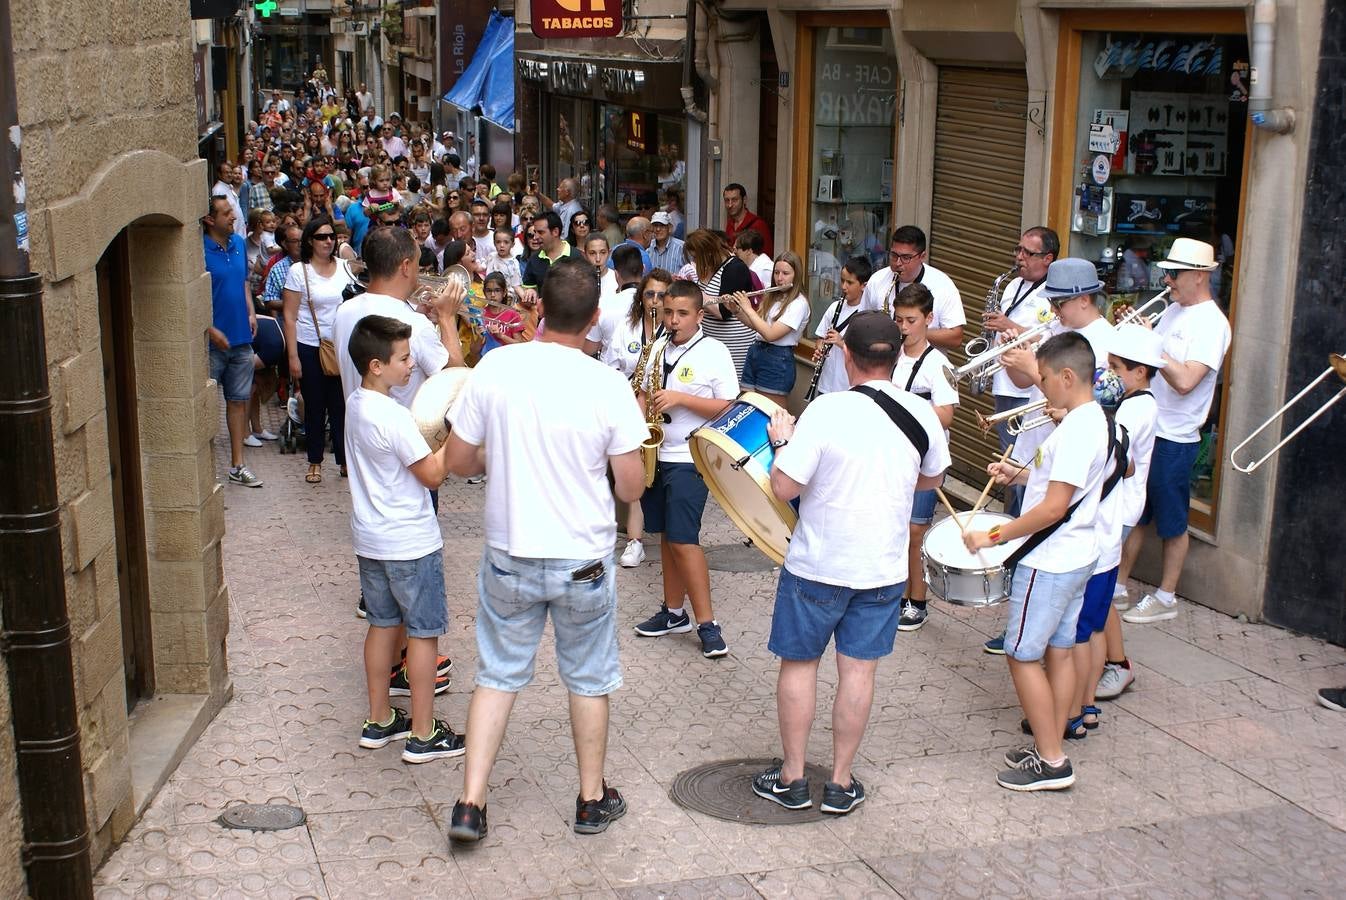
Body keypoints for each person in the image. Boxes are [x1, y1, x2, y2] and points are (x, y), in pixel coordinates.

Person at [443, 258, 648, 843]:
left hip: (510, 550)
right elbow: (631, 487)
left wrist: (501, 456)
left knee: (497, 675)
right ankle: (589, 800)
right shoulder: (607, 382)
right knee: (588, 678)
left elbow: (458, 463)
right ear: (595, 317)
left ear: (539, 308)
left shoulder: (496, 367)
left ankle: (470, 804)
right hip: (582, 555)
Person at [753, 311, 949, 814]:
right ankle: (840, 783)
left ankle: (793, 778)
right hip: (883, 570)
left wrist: (781, 441)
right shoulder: (922, 413)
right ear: (898, 353)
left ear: (846, 355)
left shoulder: (825, 410)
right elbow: (931, 481)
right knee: (858, 673)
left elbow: (783, 486)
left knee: (799, 666)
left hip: (817, 564)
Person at [963, 331, 1114, 791]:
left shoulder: (1074, 429)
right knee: (1060, 649)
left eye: (1045, 378)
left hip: (1050, 560)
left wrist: (994, 534)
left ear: (1068, 377)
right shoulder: (1097, 420)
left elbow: (1052, 508)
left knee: (1021, 654)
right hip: (1079, 554)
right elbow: (1065, 485)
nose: (1041, 386)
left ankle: (1051, 761)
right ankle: (1056, 737)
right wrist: (1021, 473)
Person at [345, 315, 466, 764]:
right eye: (403, 357)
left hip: (371, 538)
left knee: (381, 625)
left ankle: (379, 720)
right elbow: (432, 475)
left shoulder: (357, 403)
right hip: (410, 541)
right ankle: (423, 731)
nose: (411, 364)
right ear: (376, 365)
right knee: (423, 634)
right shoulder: (393, 416)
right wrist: (455, 434)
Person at [1120, 238, 1232, 625]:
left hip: (1177, 435)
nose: (1166, 280)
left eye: (1174, 274)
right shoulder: (1173, 311)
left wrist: (1154, 347)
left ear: (1200, 276)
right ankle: (1118, 584)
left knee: (1171, 521)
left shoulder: (1212, 324)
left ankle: (1166, 595)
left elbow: (1186, 380)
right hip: (1149, 423)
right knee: (1133, 511)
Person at [631, 280, 740, 658]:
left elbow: (729, 406)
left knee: (684, 539)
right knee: (665, 535)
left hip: (691, 456)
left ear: (698, 315)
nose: (672, 320)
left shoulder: (714, 351)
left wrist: (679, 398)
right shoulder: (657, 347)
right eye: (667, 312)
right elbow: (643, 391)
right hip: (656, 453)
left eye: (681, 314)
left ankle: (708, 624)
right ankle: (673, 612)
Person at [1093, 325, 1163, 705]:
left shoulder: (1138, 408)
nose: (1109, 375)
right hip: (1113, 506)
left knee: (1097, 594)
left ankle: (1116, 663)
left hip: (1118, 509)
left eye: (1116, 368)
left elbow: (1120, 460)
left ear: (1140, 372)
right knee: (1096, 592)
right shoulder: (1131, 402)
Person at [888, 284, 959, 633]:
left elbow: (946, 414)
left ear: (929, 319)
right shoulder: (892, 355)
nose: (903, 327)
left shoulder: (939, 364)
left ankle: (918, 601)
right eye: (899, 319)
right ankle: (896, 594)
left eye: (911, 320)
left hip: (925, 456)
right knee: (896, 528)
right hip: (894, 453)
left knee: (916, 531)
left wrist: (907, 411)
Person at [986, 227, 1058, 516]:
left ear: (1048, 258)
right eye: (1019, 250)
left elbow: (1049, 335)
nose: (1020, 257)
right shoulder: (1013, 284)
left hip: (1029, 389)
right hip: (1006, 381)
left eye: (1028, 253)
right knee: (1009, 461)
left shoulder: (1053, 294)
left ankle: (1019, 521)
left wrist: (1008, 327)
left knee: (1021, 463)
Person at [605, 268, 673, 569]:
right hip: (632, 408)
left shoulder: (675, 330)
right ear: (641, 297)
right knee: (637, 473)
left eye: (661, 296)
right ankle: (634, 541)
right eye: (650, 294)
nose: (655, 301)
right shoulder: (627, 328)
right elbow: (611, 367)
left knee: (662, 477)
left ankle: (670, 536)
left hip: (664, 414)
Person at [282, 216, 355, 484]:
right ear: (309, 241)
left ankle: (344, 459)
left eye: (331, 236)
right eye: (321, 237)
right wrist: (292, 356)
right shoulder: (298, 271)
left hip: (340, 345)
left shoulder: (346, 268)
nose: (327, 241)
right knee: (315, 405)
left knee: (342, 405)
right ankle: (314, 460)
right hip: (309, 343)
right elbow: (289, 316)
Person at [203, 195, 263, 487]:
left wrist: (251, 312)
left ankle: (237, 465)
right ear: (209, 220)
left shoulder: (239, 244)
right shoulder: (199, 250)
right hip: (212, 344)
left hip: (240, 339)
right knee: (206, 406)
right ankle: (205, 469)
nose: (233, 217)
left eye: (232, 212)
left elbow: (243, 283)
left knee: (238, 402)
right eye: (226, 213)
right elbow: (192, 296)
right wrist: (209, 329)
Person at [861, 226, 965, 352]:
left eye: (906, 257)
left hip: (923, 368)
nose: (898, 263)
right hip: (883, 364)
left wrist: (908, 332)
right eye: (894, 255)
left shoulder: (942, 285)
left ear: (922, 256)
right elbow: (862, 321)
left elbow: (956, 337)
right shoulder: (877, 280)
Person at [729, 251, 810, 406]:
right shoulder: (773, 296)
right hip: (756, 352)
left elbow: (771, 334)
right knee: (747, 407)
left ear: (796, 275)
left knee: (769, 412)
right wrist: (736, 310)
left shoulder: (799, 304)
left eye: (786, 273)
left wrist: (748, 308)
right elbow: (758, 326)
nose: (779, 278)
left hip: (777, 359)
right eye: (777, 272)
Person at [685, 228, 756, 378]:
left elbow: (724, 312)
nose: (695, 261)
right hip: (713, 341)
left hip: (733, 344)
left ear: (709, 253)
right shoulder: (708, 267)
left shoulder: (735, 269)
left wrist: (697, 295)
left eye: (697, 257)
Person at [809, 256, 873, 397]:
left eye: (850, 282)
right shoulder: (834, 307)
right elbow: (820, 338)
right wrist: (820, 348)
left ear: (863, 285)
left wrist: (841, 342)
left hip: (849, 387)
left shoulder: (867, 315)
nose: (844, 286)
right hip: (826, 383)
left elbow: (868, 354)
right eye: (842, 280)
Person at [518, 211, 581, 304]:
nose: (535, 237)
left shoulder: (576, 257)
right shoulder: (534, 259)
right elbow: (529, 287)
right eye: (535, 232)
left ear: (555, 232)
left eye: (540, 232)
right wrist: (530, 292)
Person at [722, 182, 773, 258]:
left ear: (744, 200)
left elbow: (767, 255)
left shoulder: (759, 225)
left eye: (734, 200)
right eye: (727, 200)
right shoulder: (730, 223)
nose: (730, 205)